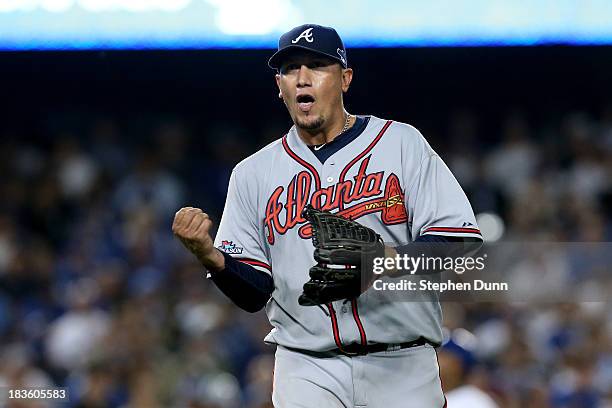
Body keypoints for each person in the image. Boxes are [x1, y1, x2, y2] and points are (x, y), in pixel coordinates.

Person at [172, 23, 482, 408]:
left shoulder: (401, 143)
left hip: (403, 361)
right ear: (279, 86)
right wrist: (210, 256)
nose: (303, 78)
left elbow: (458, 240)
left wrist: (384, 260)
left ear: (345, 79)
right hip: (306, 366)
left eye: (317, 66)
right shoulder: (252, 173)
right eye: (290, 69)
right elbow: (254, 294)